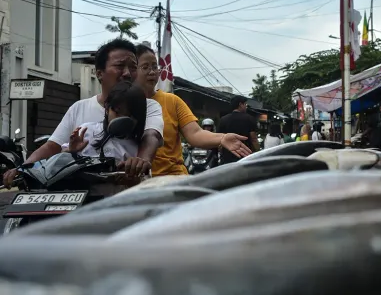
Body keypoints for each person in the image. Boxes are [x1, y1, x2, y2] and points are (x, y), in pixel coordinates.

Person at [3, 38, 164, 187]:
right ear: (99, 73)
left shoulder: (149, 106)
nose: (128, 73)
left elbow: (151, 136)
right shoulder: (78, 108)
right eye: (120, 66)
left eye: (133, 67)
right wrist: (23, 169)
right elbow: (52, 146)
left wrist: (139, 163)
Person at [134, 45, 250, 175]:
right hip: (135, 180)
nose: (152, 72)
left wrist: (222, 138)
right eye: (145, 67)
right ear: (132, 70)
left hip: (173, 178)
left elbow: (195, 134)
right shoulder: (122, 104)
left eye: (155, 67)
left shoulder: (172, 101)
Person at [64, 81, 146, 162]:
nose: (123, 120)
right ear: (107, 108)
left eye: (130, 116)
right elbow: (60, 159)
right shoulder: (86, 131)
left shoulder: (139, 149)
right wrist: (71, 150)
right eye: (117, 112)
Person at [217, 96, 259, 165]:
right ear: (240, 104)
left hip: (227, 158)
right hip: (245, 156)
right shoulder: (249, 119)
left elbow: (219, 140)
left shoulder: (223, 120)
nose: (246, 107)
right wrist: (258, 152)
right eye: (245, 104)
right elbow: (253, 139)